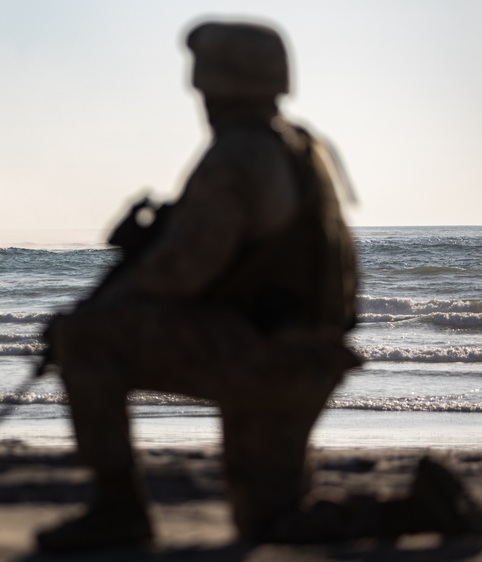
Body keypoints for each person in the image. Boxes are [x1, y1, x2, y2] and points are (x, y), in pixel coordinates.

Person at [37, 20, 478, 551]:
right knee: (271, 525)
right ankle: (415, 511)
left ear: (217, 82)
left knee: (87, 336)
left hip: (262, 356)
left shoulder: (240, 154)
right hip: (305, 359)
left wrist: (102, 305)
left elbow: (183, 271)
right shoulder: (300, 149)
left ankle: (118, 510)